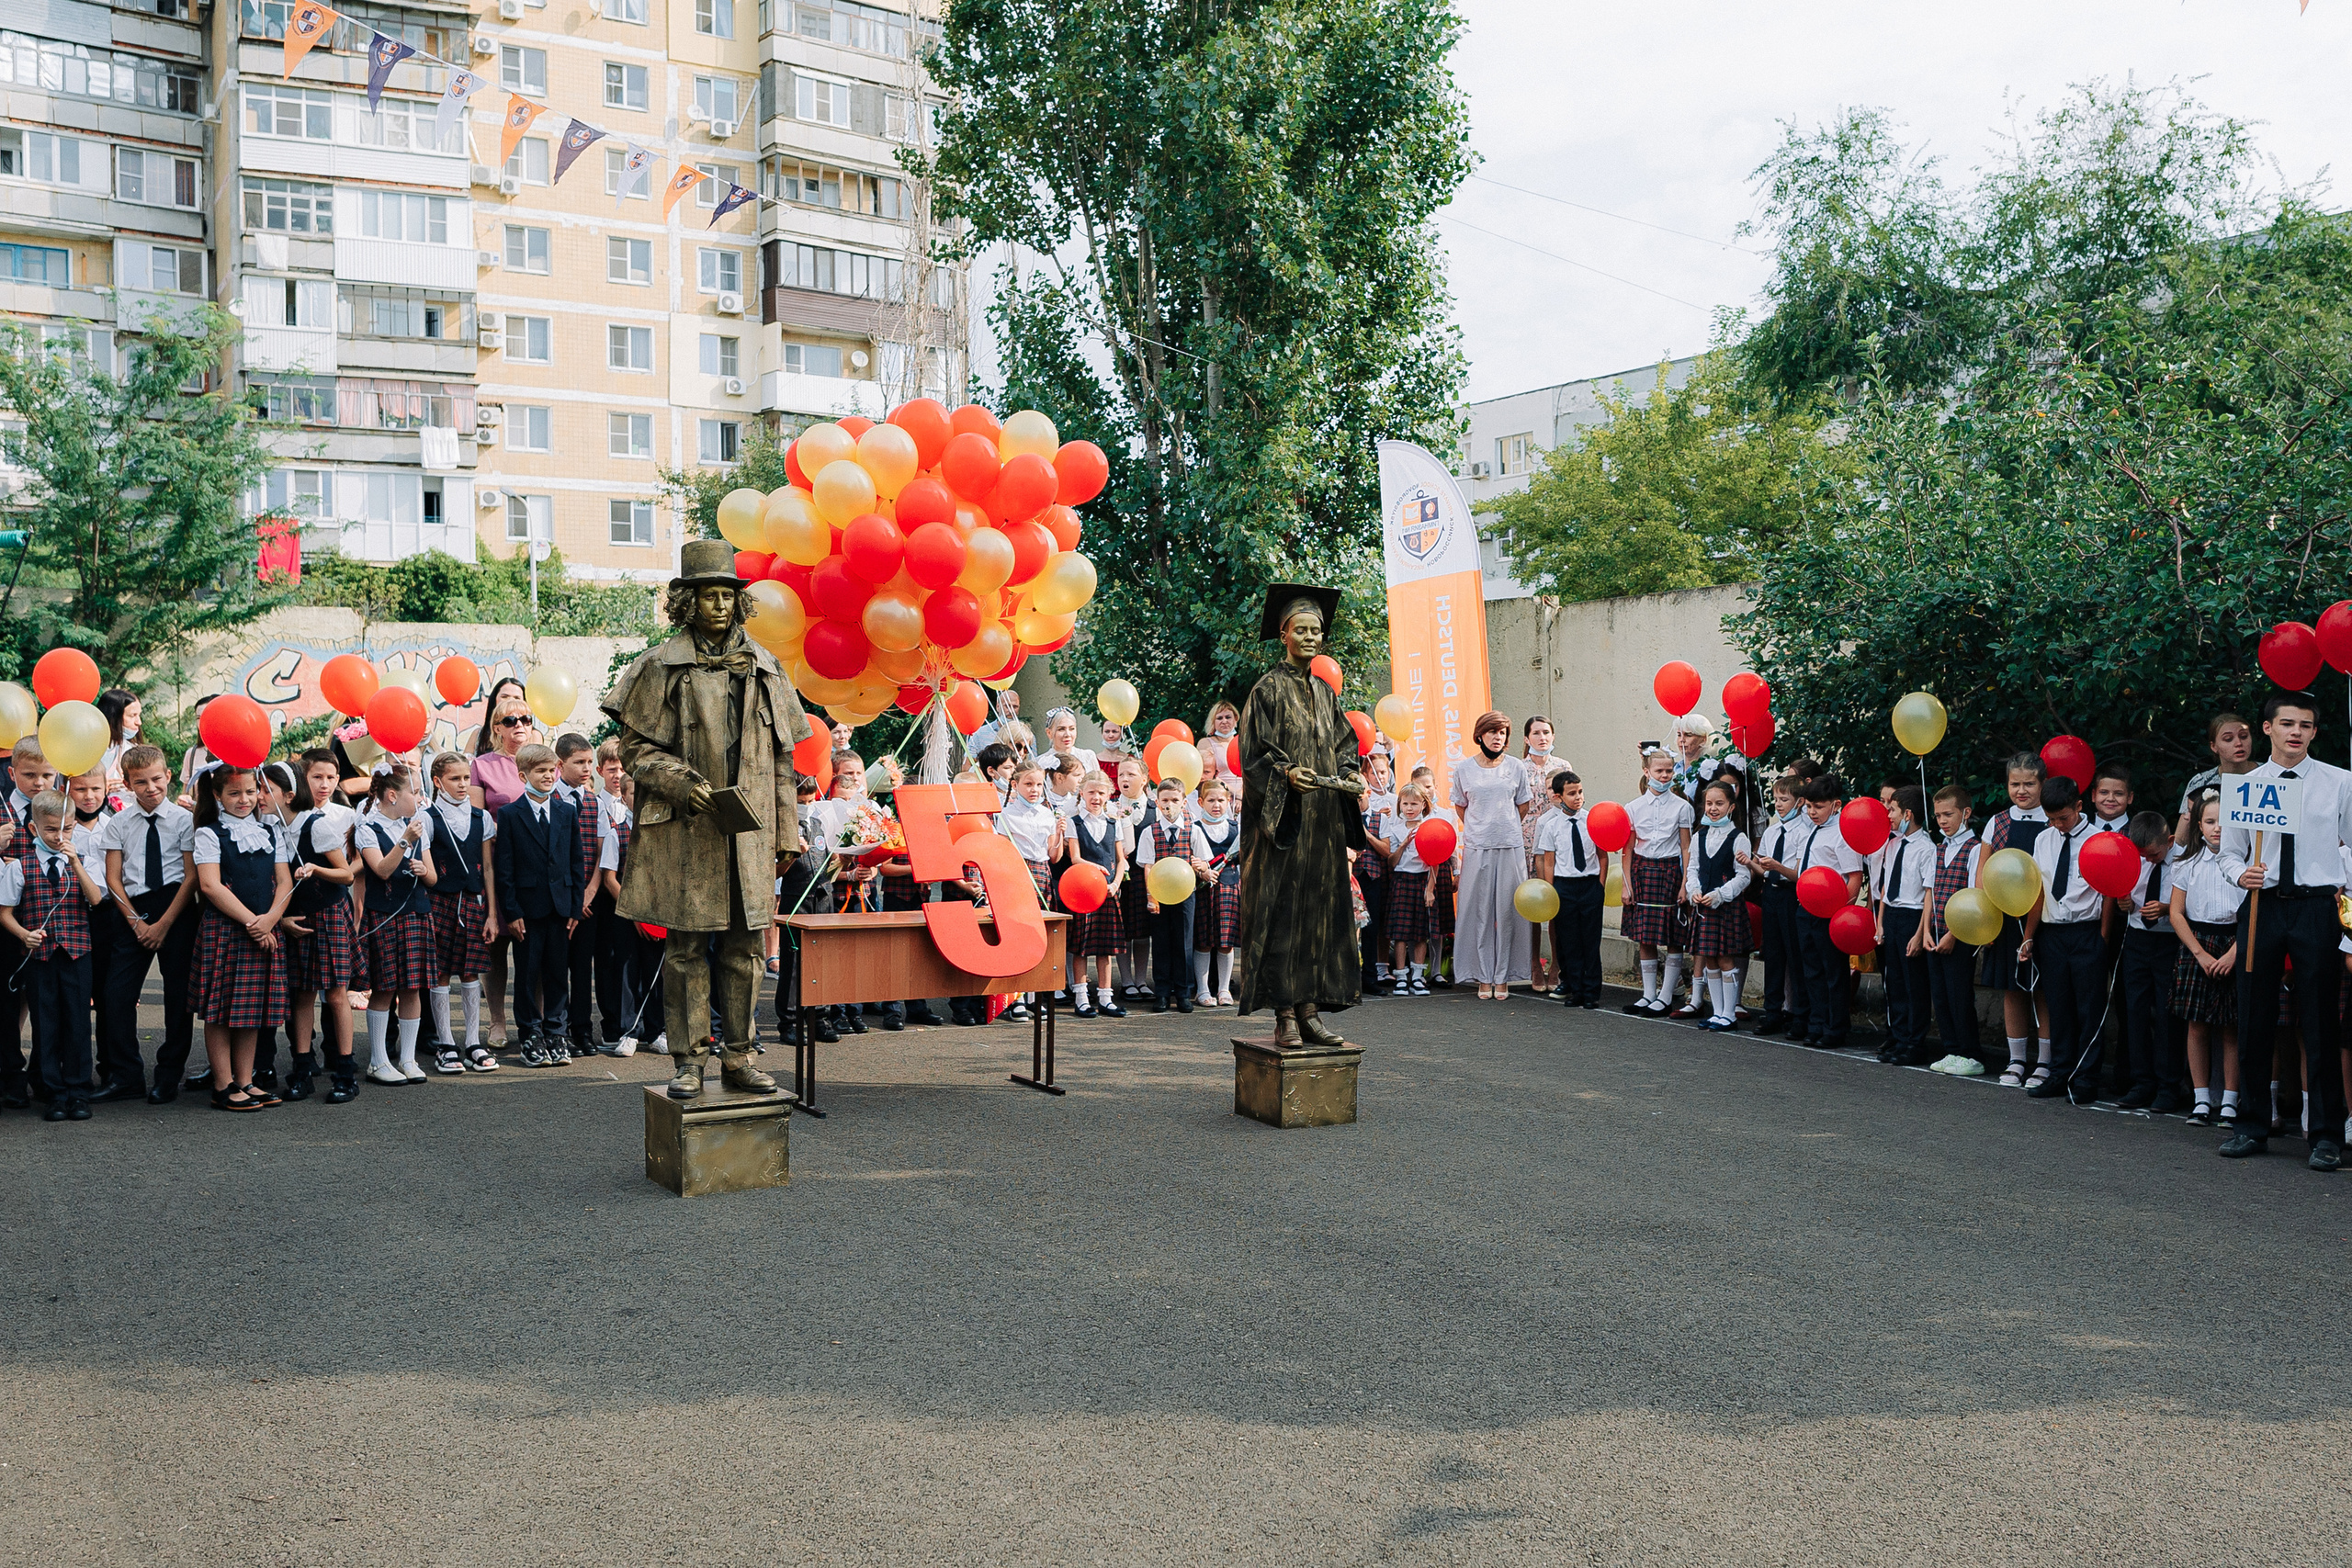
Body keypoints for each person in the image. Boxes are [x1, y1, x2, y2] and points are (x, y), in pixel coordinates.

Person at [603, 539, 813, 1100]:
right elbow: (636, 750)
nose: (720, 605)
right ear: (687, 603)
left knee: (746, 949)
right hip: (683, 827)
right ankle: (689, 1060)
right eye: (708, 596)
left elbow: (784, 760)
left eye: (727, 595)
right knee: (687, 948)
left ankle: (740, 1056)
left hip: (750, 833)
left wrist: (787, 831)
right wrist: (682, 784)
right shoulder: (658, 667)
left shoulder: (765, 669)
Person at [2216, 693, 2351, 1168]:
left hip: (2317, 907)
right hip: (2262, 905)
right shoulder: (2246, 786)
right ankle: (2251, 1125)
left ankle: (2327, 1135)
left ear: (2315, 733)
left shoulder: (2340, 783)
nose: (2297, 732)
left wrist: (2348, 918)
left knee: (2320, 1020)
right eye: (2288, 723)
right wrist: (2239, 875)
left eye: (2307, 725)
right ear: (2268, 728)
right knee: (2254, 1013)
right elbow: (2228, 853)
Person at [1234, 584, 1367, 1047]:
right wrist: (1286, 775)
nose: (1311, 637)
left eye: (1317, 631)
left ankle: (1312, 1010)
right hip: (1283, 829)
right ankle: (1285, 1014)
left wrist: (1351, 775)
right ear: (1283, 634)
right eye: (1301, 630)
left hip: (1324, 827)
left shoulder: (1325, 693)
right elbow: (1252, 756)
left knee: (1320, 916)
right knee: (1285, 915)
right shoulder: (1266, 690)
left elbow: (1346, 746)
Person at [91, 744, 198, 1104]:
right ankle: (126, 1075)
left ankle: (169, 1075)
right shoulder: (119, 823)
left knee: (177, 998)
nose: (151, 788)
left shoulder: (185, 821)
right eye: (140, 782)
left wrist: (164, 923)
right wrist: (136, 923)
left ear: (168, 776)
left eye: (156, 779)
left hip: (175, 908)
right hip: (131, 910)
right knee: (116, 995)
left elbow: (191, 876)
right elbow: (113, 878)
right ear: (127, 783)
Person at [188, 763, 293, 1111]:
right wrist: (254, 923)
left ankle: (245, 1080)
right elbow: (210, 885)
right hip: (228, 930)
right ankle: (222, 1084)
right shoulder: (209, 832)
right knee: (220, 1011)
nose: (244, 799)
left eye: (250, 791)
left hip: (265, 927)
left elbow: (284, 882)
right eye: (234, 793)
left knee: (251, 1009)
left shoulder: (270, 830)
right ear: (218, 796)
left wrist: (272, 919)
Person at [0, 791, 105, 1120]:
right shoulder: (19, 867)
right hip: (40, 958)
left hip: (77, 954)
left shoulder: (84, 861)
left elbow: (96, 900)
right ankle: (53, 1092)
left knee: (77, 1021)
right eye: (51, 831)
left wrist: (75, 862)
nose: (60, 837)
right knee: (46, 1023)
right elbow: (4, 913)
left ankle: (78, 1090)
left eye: (68, 830)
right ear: (33, 829)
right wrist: (24, 934)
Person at [2017, 776, 2108, 1103]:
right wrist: (2029, 937)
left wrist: (2103, 937)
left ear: (2079, 806)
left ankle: (2086, 1078)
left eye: (2064, 818)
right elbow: (2038, 889)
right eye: (2052, 819)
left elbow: (2108, 891)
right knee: (2058, 1005)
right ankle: (2060, 1072)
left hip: (2086, 929)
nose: (2058, 825)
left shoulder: (2099, 839)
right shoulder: (2045, 839)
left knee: (2089, 1007)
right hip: (2052, 931)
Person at [278, 757, 359, 1103]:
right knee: (301, 993)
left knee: (337, 993)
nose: (259, 797)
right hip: (295, 917)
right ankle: (302, 1068)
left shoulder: (317, 824)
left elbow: (346, 874)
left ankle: (344, 1071)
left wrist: (316, 869)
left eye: (266, 790)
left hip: (327, 912)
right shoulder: (273, 827)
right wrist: (281, 918)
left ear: (287, 794)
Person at [495, 743, 581, 1067]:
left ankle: (556, 1032)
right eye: (539, 771)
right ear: (523, 775)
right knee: (528, 972)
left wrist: (574, 909)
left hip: (561, 910)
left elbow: (576, 862)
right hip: (527, 911)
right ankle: (530, 1032)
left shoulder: (566, 811)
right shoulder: (509, 814)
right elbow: (505, 870)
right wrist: (512, 912)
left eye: (551, 770)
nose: (547, 776)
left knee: (558, 973)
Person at [355, 763, 438, 1086]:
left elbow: (432, 878)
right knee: (385, 987)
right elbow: (382, 870)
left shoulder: (418, 827)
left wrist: (422, 869)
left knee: (412, 987)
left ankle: (408, 1058)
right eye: (413, 792)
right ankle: (378, 1060)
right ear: (392, 795)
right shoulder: (368, 828)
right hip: (386, 914)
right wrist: (404, 841)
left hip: (417, 913)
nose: (418, 798)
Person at [2168, 789, 2242, 1127]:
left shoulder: (2246, 866)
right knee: (2196, 1025)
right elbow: (2176, 913)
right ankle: (2200, 1100)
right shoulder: (2186, 863)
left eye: (2224, 822)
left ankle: (2229, 1101)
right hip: (2196, 943)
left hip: (2235, 943)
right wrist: (2199, 954)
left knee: (2231, 1027)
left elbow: (2256, 915)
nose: (2218, 829)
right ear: (2199, 825)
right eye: (2210, 822)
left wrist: (2232, 954)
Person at [1978, 752, 2052, 1087]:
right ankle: (2017, 1060)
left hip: (2045, 918)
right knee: (2012, 989)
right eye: (2014, 784)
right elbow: (1983, 874)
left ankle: (2045, 1063)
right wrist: (1985, 921)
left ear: (2042, 784)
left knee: (2042, 990)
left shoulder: (2053, 820)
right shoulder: (1998, 821)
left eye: (2029, 784)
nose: (2021, 791)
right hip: (2005, 918)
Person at [423, 752, 499, 1074]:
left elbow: (489, 868)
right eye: (455, 779)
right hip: (438, 903)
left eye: (466, 778)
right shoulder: (427, 818)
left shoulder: (482, 818)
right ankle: (446, 1043)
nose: (463, 784)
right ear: (438, 782)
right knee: (440, 972)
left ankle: (472, 1042)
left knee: (470, 972)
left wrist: (493, 913)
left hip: (472, 902)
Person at [469, 675, 535, 1046]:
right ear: (497, 728)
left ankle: (536, 1023)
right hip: (496, 864)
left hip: (535, 866)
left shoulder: (545, 761)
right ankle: (497, 1021)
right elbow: (478, 821)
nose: (519, 726)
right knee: (496, 948)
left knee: (535, 947)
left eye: (525, 719)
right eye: (510, 721)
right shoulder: (483, 765)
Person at [1451, 711, 1533, 1000]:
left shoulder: (1516, 768)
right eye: (1493, 732)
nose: (1498, 738)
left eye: (1502, 733)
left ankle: (1503, 978)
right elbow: (1462, 807)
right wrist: (1481, 827)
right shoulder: (1464, 769)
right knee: (1480, 913)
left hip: (1509, 845)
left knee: (1508, 912)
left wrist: (1503, 826)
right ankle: (1483, 976)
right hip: (1476, 847)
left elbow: (1522, 806)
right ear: (1480, 735)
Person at [2113, 809, 2184, 1111]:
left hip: (2169, 940)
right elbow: (2123, 891)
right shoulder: (2133, 856)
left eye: (2154, 854)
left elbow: (2196, 901)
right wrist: (2124, 902)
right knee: (2135, 1010)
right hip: (2137, 938)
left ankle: (2169, 1086)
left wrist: (2168, 909)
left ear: (2168, 840)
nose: (2149, 860)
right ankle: (2141, 1081)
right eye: (2143, 855)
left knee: (2167, 1015)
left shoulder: (2184, 860)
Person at [1792, 774, 1865, 1049]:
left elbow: (1854, 877)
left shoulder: (1842, 835)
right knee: (1811, 970)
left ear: (1836, 805)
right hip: (1806, 909)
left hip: (1830, 913)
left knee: (1833, 971)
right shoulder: (1812, 829)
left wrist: (1841, 911)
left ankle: (1835, 1027)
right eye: (1808, 806)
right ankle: (1817, 1022)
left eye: (1818, 807)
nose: (1812, 812)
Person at [1620, 745, 1693, 1017]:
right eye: (1659, 771)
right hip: (1642, 872)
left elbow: (1687, 849)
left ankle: (1665, 995)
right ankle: (1648, 994)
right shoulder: (1633, 807)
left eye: (1669, 770)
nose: (1664, 776)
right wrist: (1626, 885)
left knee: (1674, 937)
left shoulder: (1682, 807)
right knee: (1645, 937)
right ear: (1646, 771)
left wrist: (1686, 884)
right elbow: (1627, 849)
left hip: (1671, 873)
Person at [1740, 771, 1813, 1036]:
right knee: (1772, 954)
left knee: (1795, 955)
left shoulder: (1805, 831)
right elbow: (1763, 871)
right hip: (1771, 892)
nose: (1779, 804)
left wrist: (1778, 867)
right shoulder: (1772, 830)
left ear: (1799, 801)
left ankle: (1799, 1014)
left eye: (1784, 799)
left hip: (1791, 893)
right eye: (1776, 798)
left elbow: (1799, 874)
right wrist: (1751, 864)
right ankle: (1772, 1011)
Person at [993, 760, 1062, 1025]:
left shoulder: (1047, 814)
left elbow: (1053, 856)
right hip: (1018, 874)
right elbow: (1003, 851)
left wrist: (1058, 834)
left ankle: (1034, 995)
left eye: (1038, 785)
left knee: (1038, 936)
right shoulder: (1007, 815)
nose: (1035, 790)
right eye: (1028, 784)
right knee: (1018, 936)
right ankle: (1016, 998)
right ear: (1015, 785)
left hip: (1043, 873)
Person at [1136, 776, 1210, 1014]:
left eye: (1175, 800)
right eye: (1165, 800)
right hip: (1159, 894)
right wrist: (1151, 896)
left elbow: (1204, 863)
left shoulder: (1193, 830)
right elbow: (1147, 866)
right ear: (1157, 803)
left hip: (1185, 893)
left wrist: (1202, 867)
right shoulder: (1151, 831)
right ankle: (1162, 992)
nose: (1170, 805)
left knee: (1184, 943)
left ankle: (1183, 992)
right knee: (1161, 943)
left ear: (1184, 803)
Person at [1922, 785, 1984, 1068]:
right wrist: (1925, 931)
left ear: (1965, 813)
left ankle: (1970, 1053)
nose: (1942, 821)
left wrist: (1953, 935)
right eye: (1938, 816)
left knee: (1959, 995)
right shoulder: (1938, 848)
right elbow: (1931, 894)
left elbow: (1974, 897)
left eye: (1948, 814)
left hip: (1959, 935)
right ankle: (1951, 1049)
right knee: (1941, 995)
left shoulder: (1976, 849)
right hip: (1934, 932)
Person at [1684, 776, 1752, 1031]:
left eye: (1719, 804)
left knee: (1725, 959)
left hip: (1726, 906)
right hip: (1704, 906)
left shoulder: (1739, 837)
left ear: (1731, 807)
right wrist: (1694, 891)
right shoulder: (1700, 836)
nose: (1713, 808)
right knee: (1709, 959)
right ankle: (1717, 1012)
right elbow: (1693, 869)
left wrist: (1721, 894)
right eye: (1709, 803)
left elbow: (1743, 876)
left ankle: (1729, 1013)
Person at [1061, 770, 1130, 1019]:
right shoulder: (1075, 822)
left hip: (1108, 893)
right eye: (1091, 792)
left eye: (1101, 793)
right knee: (1081, 947)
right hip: (1083, 892)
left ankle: (1105, 997)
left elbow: (1121, 860)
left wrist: (1116, 883)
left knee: (1106, 948)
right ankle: (1081, 998)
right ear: (1082, 793)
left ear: (1108, 795)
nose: (1096, 797)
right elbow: (1076, 857)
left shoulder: (1114, 823)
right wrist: (1094, 868)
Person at [591, 739, 645, 1053]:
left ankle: (644, 1024)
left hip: (641, 900)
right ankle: (615, 1026)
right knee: (612, 964)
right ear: (602, 771)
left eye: (622, 769)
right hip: (610, 898)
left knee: (641, 963)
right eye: (612, 769)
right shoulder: (596, 806)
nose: (617, 775)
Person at [1533, 772, 1605, 1009]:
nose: (1578, 798)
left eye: (1580, 792)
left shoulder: (1592, 821)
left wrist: (1600, 885)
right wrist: (1552, 894)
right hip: (1565, 887)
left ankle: (1592, 992)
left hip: (1589, 884)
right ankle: (1575, 989)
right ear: (1558, 796)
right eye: (1571, 793)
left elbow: (1602, 855)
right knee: (1570, 941)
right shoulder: (1551, 826)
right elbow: (1550, 862)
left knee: (1591, 941)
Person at [1874, 786, 1934, 1065]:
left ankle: (1914, 1041)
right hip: (1893, 915)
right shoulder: (1893, 843)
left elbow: (1927, 894)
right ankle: (1898, 1038)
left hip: (1913, 916)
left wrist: (1920, 934)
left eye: (1892, 810)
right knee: (1894, 981)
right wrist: (1880, 922)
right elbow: (1886, 886)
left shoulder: (1926, 848)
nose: (1888, 815)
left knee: (1914, 984)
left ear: (1908, 813)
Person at [553, 733, 604, 1058]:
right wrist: (570, 900)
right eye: (580, 763)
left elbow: (600, 855)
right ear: (561, 765)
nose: (588, 769)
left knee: (583, 969)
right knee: (556, 967)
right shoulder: (550, 800)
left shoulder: (594, 802)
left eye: (590, 763)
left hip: (586, 900)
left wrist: (588, 894)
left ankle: (582, 1029)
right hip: (560, 902)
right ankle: (555, 1029)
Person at [1378, 784, 1437, 994]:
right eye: (1405, 804)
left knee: (1420, 932)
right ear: (1399, 805)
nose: (1410, 808)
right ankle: (1401, 975)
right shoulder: (1395, 828)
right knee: (1401, 933)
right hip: (1401, 881)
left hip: (1422, 880)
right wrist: (1404, 843)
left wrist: (1430, 889)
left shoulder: (1430, 827)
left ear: (1424, 804)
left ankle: (1418, 977)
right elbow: (1391, 862)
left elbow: (1435, 862)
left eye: (1414, 803)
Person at [1108, 756, 1154, 999]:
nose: (1124, 779)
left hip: (1145, 876)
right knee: (1123, 929)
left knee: (1143, 931)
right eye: (1121, 775)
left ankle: (1141, 980)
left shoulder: (1155, 809)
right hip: (1120, 877)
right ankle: (1126, 981)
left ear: (1144, 780)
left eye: (1131, 775)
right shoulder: (1110, 808)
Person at [1193, 779, 1242, 1006]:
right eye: (1211, 800)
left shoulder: (1236, 828)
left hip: (1229, 887)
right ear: (1201, 802)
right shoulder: (1195, 828)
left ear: (1229, 801)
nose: (1216, 805)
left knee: (1226, 941)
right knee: (1203, 940)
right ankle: (1203, 990)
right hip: (1203, 889)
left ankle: (1224, 989)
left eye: (1221, 800)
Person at [2176, 713, 2254, 846]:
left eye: (2244, 736)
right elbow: (2181, 840)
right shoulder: (2201, 782)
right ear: (2214, 746)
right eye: (2228, 739)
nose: (2239, 743)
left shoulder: (2272, 776)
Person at [96, 688, 141, 798]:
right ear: (113, 717)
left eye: (139, 715)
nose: (139, 722)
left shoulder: (132, 750)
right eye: (132, 716)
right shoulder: (89, 749)